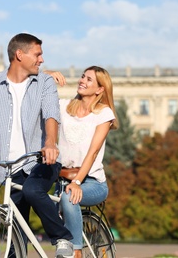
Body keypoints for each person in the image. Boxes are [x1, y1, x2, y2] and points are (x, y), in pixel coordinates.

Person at [0, 33, 74, 258]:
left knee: (33, 190)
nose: (42, 59)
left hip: (42, 161)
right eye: (38, 54)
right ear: (19, 55)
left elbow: (51, 115)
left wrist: (50, 144)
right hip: (9, 169)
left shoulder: (44, 82)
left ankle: (62, 238)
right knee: (15, 244)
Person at [54, 66, 119, 258]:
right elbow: (38, 93)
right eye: (83, 76)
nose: (82, 80)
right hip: (63, 179)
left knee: (69, 197)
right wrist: (48, 74)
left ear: (100, 89)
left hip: (92, 182)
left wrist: (77, 183)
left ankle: (76, 251)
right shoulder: (64, 107)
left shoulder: (103, 113)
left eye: (89, 79)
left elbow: (93, 151)